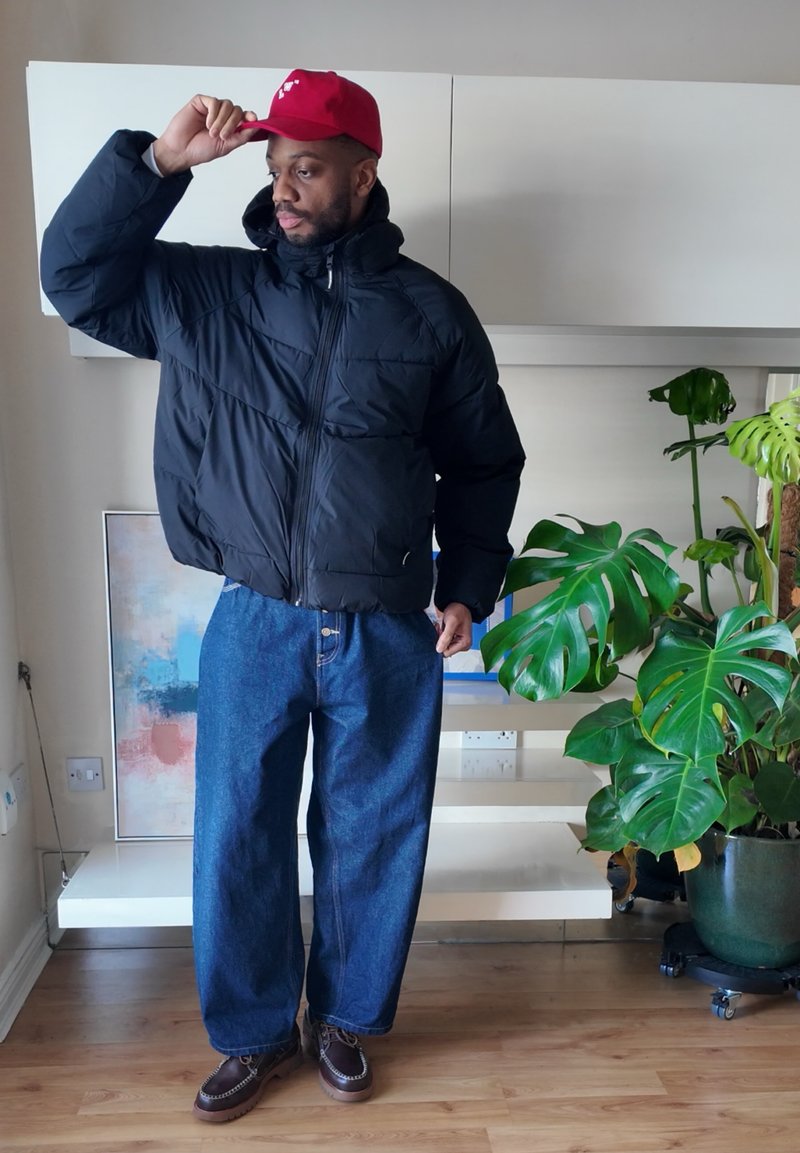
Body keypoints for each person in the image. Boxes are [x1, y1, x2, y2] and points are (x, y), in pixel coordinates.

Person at [41, 68, 525, 1123]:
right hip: (255, 614)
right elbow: (71, 275)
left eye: (307, 168)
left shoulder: (432, 313)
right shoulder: (206, 291)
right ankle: (254, 1033)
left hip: (387, 620)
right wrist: (158, 163)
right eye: (275, 169)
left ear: (363, 175)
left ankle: (343, 1020)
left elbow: (485, 461)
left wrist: (468, 582)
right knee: (238, 834)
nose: (285, 189)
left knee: (372, 833)